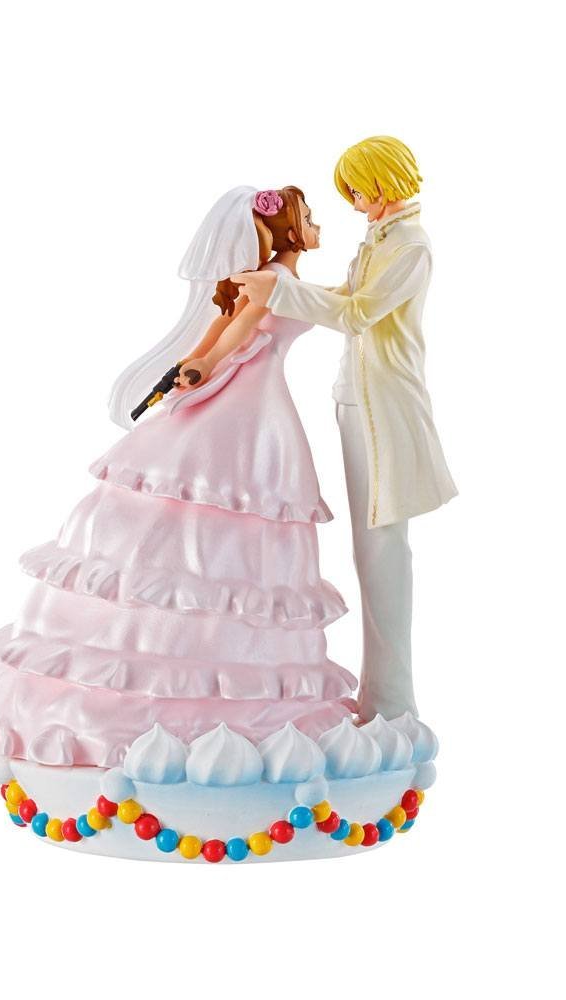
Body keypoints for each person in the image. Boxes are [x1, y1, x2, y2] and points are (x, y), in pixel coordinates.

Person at [0, 186, 358, 766]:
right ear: (289, 228)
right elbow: (235, 328)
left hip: (261, 401)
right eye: (309, 217)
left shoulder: (281, 278)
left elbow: (309, 309)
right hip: (250, 405)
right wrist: (201, 363)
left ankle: (223, 657)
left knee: (244, 511)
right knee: (227, 499)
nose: (317, 225)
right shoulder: (272, 279)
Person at [233, 137, 457, 722]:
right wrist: (284, 294)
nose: (354, 203)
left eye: (357, 190)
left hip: (385, 405)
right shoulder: (382, 238)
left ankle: (393, 702)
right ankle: (380, 697)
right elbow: (348, 296)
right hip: (357, 399)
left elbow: (359, 314)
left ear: (383, 183)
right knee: (369, 548)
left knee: (382, 548)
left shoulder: (409, 245)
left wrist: (284, 292)